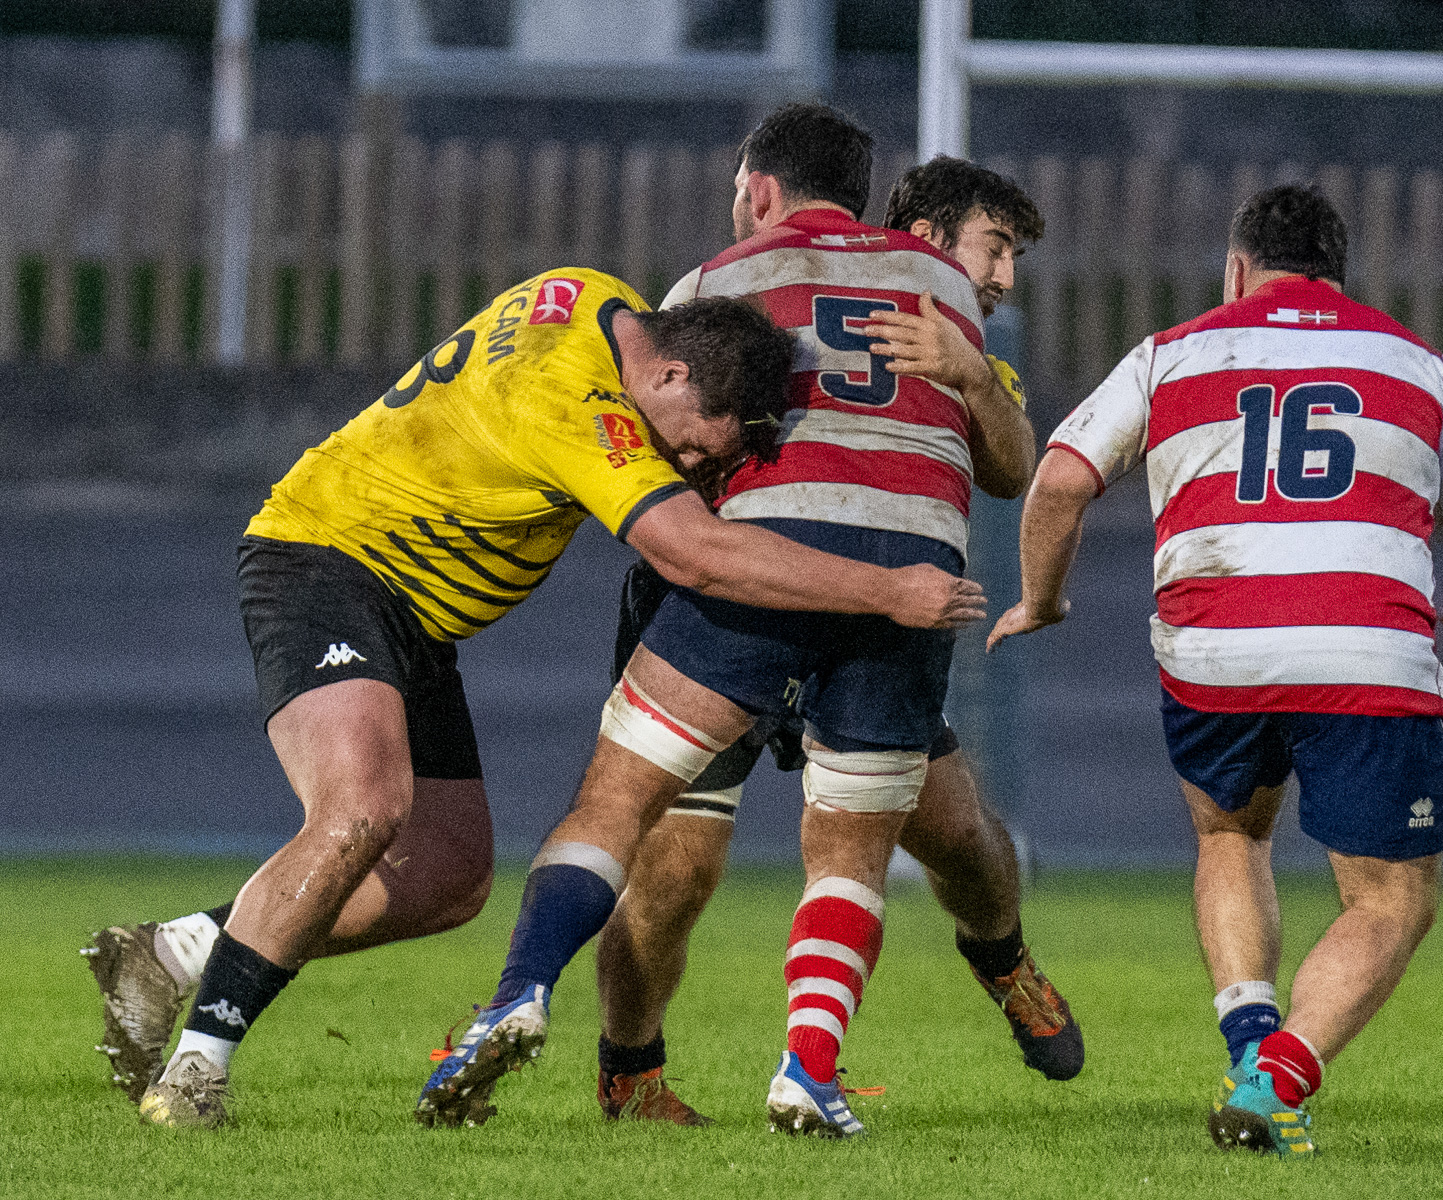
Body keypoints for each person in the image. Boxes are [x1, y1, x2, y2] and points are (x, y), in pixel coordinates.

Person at [91, 269, 985, 1130]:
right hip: (329, 562)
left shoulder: (604, 300)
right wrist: (887, 590)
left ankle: (166, 954)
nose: (684, 467)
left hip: (414, 608)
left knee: (447, 879)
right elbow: (694, 552)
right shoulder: (575, 400)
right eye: (692, 447)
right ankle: (197, 1068)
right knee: (363, 809)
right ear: (669, 374)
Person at [412, 104, 1020, 1138]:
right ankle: (804, 1071)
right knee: (849, 853)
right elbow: (1006, 468)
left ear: (760, 192)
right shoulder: (941, 285)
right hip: (913, 571)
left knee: (617, 804)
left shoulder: (711, 283)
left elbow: (667, 443)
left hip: (755, 566)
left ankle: (519, 993)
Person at [987, 185, 1443, 1158]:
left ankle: (1248, 1050)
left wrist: (1042, 599)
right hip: (1367, 655)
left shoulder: (1174, 352)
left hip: (1213, 653)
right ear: (1336, 274)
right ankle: (1276, 1082)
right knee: (1391, 899)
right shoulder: (1414, 362)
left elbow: (1060, 480)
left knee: (1230, 836)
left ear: (1238, 270)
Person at [590, 153, 1080, 1129]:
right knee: (676, 868)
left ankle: (1004, 961)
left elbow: (1010, 463)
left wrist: (976, 381)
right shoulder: (740, 287)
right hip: (749, 594)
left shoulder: (955, 328)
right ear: (929, 238)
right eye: (996, 247)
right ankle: (633, 1072)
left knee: (965, 841)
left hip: (862, 602)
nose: (1003, 276)